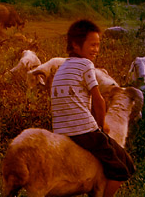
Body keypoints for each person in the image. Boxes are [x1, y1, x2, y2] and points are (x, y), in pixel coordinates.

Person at [51, 19, 134, 197]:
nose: (96, 49)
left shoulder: (62, 66)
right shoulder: (86, 65)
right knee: (123, 169)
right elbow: (98, 100)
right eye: (92, 45)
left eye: (98, 45)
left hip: (60, 130)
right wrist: (102, 125)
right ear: (75, 45)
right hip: (84, 131)